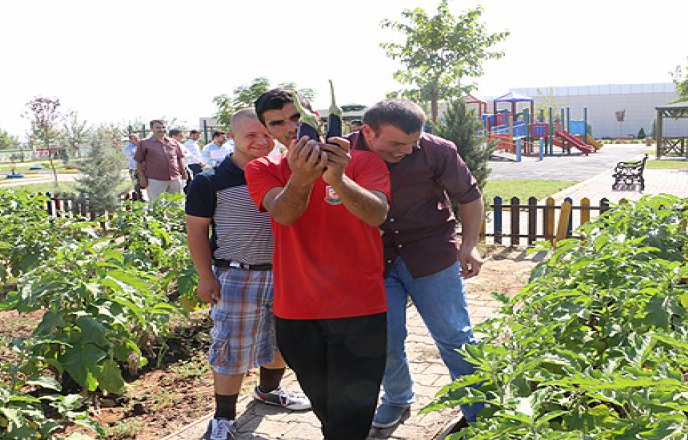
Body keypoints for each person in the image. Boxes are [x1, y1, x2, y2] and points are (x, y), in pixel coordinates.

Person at [247, 88, 390, 440]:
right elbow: (284, 214)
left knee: (352, 415)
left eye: (296, 117)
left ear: (316, 117)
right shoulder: (262, 168)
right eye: (277, 123)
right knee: (326, 407)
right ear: (268, 131)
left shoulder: (364, 162)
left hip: (359, 307)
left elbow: (377, 215)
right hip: (298, 310)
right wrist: (302, 177)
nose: (290, 128)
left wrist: (338, 179)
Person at [347, 98, 484, 431]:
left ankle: (481, 411)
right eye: (397, 144)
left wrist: (469, 245)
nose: (407, 150)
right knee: (385, 339)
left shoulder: (438, 151)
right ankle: (397, 398)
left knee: (455, 335)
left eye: (413, 143)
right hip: (373, 261)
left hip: (431, 254)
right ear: (368, 132)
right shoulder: (342, 152)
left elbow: (469, 196)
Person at [186, 108, 311, 440]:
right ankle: (223, 418)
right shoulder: (210, 181)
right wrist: (205, 276)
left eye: (267, 133)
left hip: (286, 273)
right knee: (231, 349)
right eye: (250, 135)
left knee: (281, 340)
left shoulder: (287, 172)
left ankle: (269, 391)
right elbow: (196, 231)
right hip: (238, 275)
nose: (261, 141)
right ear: (232, 137)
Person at [134, 120, 187, 202]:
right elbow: (139, 161)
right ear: (151, 129)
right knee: (157, 205)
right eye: (158, 127)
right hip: (155, 180)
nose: (161, 130)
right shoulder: (144, 143)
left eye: (163, 127)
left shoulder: (173, 142)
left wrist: (184, 173)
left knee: (176, 204)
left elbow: (179, 159)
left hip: (174, 179)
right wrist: (142, 178)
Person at [123, 133, 142, 199]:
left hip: (143, 168)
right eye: (135, 139)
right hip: (134, 168)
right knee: (136, 184)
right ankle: (139, 198)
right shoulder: (128, 148)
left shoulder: (140, 146)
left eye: (137, 138)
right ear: (131, 140)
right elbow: (133, 158)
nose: (137, 140)